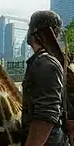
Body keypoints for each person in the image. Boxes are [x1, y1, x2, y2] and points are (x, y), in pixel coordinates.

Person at [21, 10, 68, 146]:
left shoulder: (45, 63)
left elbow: (45, 117)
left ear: (35, 30)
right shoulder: (40, 61)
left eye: (30, 26)